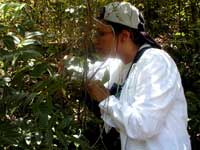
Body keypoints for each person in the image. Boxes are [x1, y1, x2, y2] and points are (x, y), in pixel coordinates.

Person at [86, 1, 191, 150]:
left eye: (102, 33)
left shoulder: (155, 62)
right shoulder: (120, 65)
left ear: (124, 35)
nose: (95, 39)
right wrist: (66, 65)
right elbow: (90, 70)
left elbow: (143, 124)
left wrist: (105, 100)